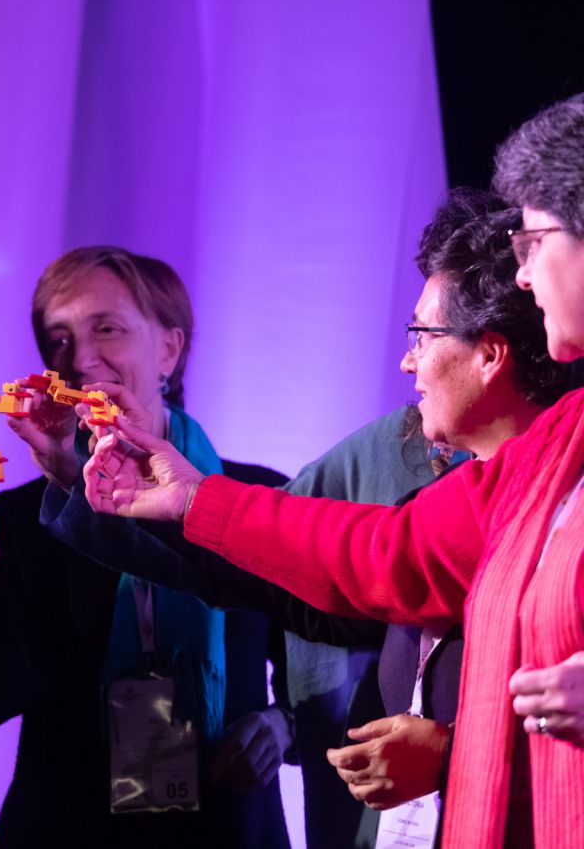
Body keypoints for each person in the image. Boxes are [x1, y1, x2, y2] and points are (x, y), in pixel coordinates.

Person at [81, 93, 584, 848]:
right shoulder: (552, 452)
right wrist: (192, 497)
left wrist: (454, 751)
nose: (522, 274)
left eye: (535, 241)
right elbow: (389, 552)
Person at [0, 246, 289, 847]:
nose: (80, 359)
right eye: (57, 340)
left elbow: (317, 671)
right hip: (66, 827)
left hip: (227, 825)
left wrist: (281, 724)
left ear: (169, 348)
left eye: (106, 329)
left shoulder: (258, 498)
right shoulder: (14, 516)